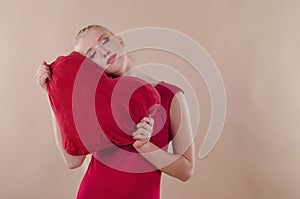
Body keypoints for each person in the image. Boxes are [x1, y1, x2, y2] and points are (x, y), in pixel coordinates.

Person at [36, 25, 195, 199]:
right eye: (91, 54)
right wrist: (52, 96)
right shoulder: (93, 102)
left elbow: (186, 170)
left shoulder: (171, 96)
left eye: (104, 41)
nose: (103, 52)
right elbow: (72, 161)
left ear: (119, 40)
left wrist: (145, 147)